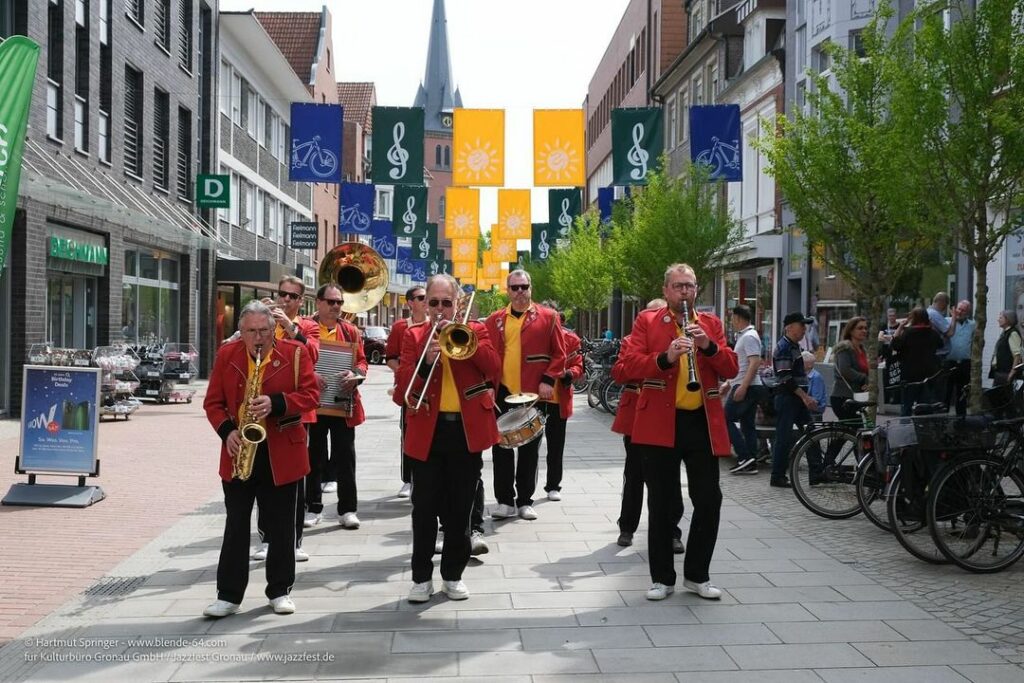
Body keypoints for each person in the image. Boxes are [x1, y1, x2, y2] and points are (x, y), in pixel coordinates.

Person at [617, 264, 738, 602]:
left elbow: (730, 366)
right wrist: (666, 357)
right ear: (666, 289)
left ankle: (697, 575)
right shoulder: (648, 321)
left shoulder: (710, 323)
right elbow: (628, 367)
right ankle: (662, 578)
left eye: (690, 286)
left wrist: (710, 347)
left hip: (700, 422)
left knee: (709, 498)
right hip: (659, 421)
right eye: (678, 286)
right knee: (661, 503)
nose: (685, 292)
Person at [201, 301, 320, 618]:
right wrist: (227, 432)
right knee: (236, 525)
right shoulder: (228, 355)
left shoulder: (295, 353)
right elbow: (213, 403)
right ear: (240, 332)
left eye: (264, 331)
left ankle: (279, 591)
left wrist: (277, 403)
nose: (257, 338)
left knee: (282, 526)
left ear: (273, 330)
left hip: (283, 451)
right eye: (251, 331)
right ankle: (228, 595)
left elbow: (311, 396)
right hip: (240, 451)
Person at [392, 274, 501, 603]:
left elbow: (494, 368)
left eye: (446, 303)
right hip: (428, 430)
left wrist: (465, 346)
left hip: (465, 432)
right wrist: (426, 362)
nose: (440, 309)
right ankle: (421, 577)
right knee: (423, 509)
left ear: (458, 305)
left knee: (460, 509)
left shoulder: (476, 331)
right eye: (434, 302)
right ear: (425, 303)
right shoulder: (414, 336)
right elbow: (403, 392)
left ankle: (453, 574)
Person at [484, 269, 567, 521]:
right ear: (507, 291)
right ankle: (504, 501)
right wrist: (487, 385)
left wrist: (547, 380)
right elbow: (486, 356)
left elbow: (560, 354)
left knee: (530, 448)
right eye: (514, 287)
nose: (520, 292)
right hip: (502, 391)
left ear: (531, 288)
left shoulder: (549, 317)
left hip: (533, 393)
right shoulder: (495, 319)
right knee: (501, 448)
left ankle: (525, 501)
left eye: (524, 287)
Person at [252, 276, 320, 563]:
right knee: (261, 478)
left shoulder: (308, 326)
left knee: (292, 479)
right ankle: (267, 537)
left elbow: (315, 353)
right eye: (282, 294)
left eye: (292, 296)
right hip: (260, 409)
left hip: (293, 412)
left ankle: (294, 540)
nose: (286, 300)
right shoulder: (264, 323)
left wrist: (289, 327)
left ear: (300, 301)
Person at [612, 298, 685, 553]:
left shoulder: (678, 339)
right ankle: (627, 527)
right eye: (652, 314)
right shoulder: (631, 341)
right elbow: (620, 372)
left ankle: (672, 531)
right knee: (634, 474)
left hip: (667, 414)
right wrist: (652, 362)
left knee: (671, 478)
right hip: (637, 414)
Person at [304, 283, 367, 532]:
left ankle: (348, 509)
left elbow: (361, 361)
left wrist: (354, 375)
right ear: (318, 302)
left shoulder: (350, 331)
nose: (336, 307)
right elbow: (297, 359)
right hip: (314, 404)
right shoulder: (306, 328)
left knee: (345, 457)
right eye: (331, 302)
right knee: (314, 457)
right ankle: (313, 507)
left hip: (342, 403)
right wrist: (311, 377)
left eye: (339, 302)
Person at [386, 286, 429, 498]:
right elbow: (391, 357)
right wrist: (405, 375)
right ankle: (408, 479)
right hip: (410, 387)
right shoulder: (400, 327)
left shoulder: (436, 325)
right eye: (421, 298)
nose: (425, 301)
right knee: (408, 431)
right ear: (410, 302)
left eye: (426, 297)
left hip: (431, 387)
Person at [770, 312, 819, 489]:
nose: (804, 329)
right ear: (789, 327)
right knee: (784, 437)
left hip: (794, 398)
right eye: (801, 325)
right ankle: (777, 476)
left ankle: (817, 472)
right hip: (788, 398)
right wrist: (804, 396)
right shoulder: (784, 347)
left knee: (812, 432)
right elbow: (785, 377)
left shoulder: (793, 345)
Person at [541, 307, 584, 501]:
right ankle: (525, 491)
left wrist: (570, 374)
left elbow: (578, 365)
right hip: (536, 399)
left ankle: (553, 485)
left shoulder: (571, 339)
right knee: (529, 450)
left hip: (559, 399)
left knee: (556, 447)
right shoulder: (536, 337)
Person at [725, 305, 766, 475]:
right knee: (747, 424)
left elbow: (755, 362)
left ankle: (744, 456)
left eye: (732, 318)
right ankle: (751, 461)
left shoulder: (749, 336)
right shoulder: (746, 335)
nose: (731, 322)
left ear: (738, 318)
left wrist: (743, 386)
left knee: (725, 418)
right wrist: (727, 384)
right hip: (746, 384)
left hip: (746, 386)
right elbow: (741, 365)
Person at [892, 307, 943, 416]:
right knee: (924, 405)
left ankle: (905, 428)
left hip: (910, 374)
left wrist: (900, 327)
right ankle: (923, 429)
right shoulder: (933, 333)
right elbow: (941, 344)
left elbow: (895, 345)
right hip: (929, 373)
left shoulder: (908, 333)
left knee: (907, 404)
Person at [831, 316, 870, 421]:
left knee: (850, 431)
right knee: (854, 429)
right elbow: (845, 370)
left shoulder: (862, 349)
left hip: (856, 396)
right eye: (860, 328)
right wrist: (864, 378)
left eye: (866, 328)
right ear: (851, 330)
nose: (864, 331)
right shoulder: (845, 348)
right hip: (843, 397)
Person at [946, 300, 974, 417]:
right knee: (946, 393)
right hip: (948, 363)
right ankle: (942, 420)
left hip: (964, 364)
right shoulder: (947, 322)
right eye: (959, 309)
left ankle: (961, 421)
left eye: (963, 310)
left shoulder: (973, 325)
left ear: (968, 313)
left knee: (962, 393)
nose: (960, 312)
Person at [989, 310, 1022, 386]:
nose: (998, 320)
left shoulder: (1012, 333)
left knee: (1002, 396)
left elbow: (1017, 355)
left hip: (1005, 374)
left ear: (1008, 319)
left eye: (1001, 318)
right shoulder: (1005, 333)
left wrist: (1012, 373)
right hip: (1000, 372)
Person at [804, 351, 827, 423]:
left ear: (809, 365)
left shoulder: (816, 377)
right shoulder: (804, 375)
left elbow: (816, 399)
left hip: (814, 411)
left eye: (802, 362)